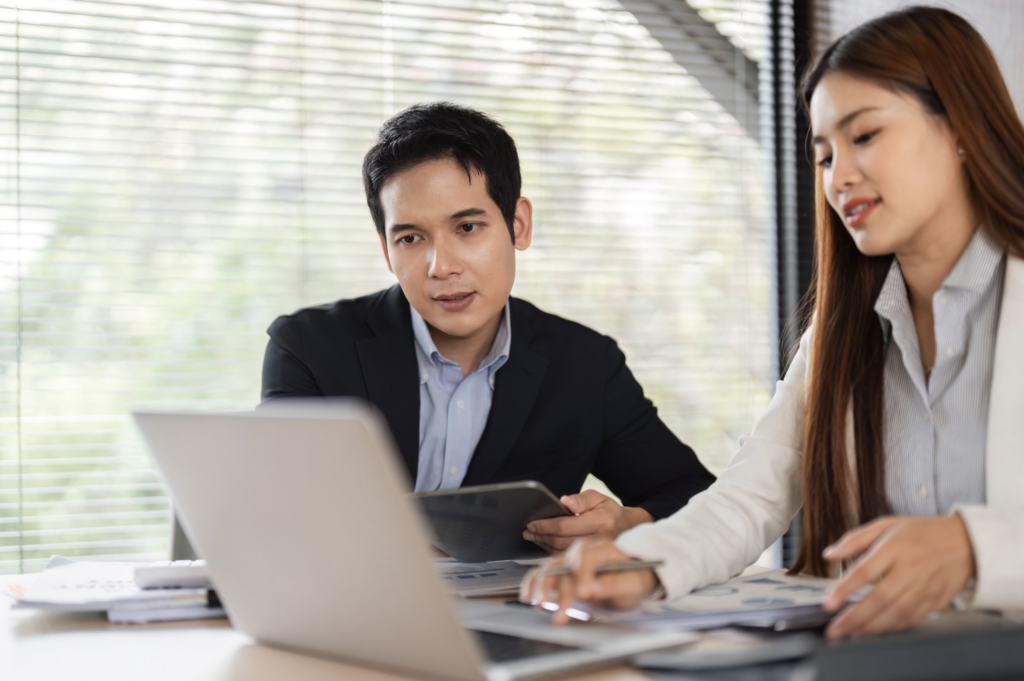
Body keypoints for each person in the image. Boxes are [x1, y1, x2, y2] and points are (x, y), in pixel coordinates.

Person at [522, 6, 1024, 639]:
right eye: (823, 155)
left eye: (865, 136)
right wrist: (639, 566)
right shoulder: (841, 337)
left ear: (960, 126)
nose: (839, 177)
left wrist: (973, 548)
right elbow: (748, 498)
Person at [261, 102, 715, 551]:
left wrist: (627, 523)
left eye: (468, 227)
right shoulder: (308, 348)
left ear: (518, 225)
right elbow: (270, 514)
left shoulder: (585, 364)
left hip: (516, 612)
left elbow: (697, 497)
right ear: (387, 251)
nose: (442, 266)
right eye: (411, 238)